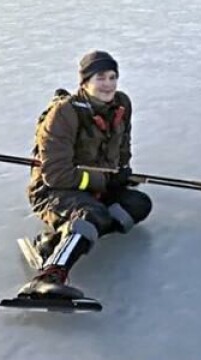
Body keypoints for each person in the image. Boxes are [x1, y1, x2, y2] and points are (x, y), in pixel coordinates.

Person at [18, 50, 153, 299]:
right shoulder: (63, 114)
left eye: (113, 77)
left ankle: (60, 239)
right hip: (54, 191)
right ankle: (50, 275)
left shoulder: (122, 104)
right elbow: (56, 175)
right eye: (101, 77)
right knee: (90, 215)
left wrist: (122, 172)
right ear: (85, 82)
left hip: (94, 188)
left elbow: (122, 149)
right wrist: (104, 180)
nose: (109, 84)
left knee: (137, 205)